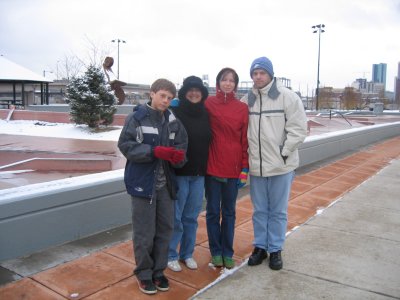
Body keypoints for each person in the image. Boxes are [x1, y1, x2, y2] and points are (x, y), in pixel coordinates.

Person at [118, 78, 188, 295]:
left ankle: (158, 271)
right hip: (142, 185)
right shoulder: (137, 118)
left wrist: (178, 158)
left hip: (165, 186)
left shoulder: (174, 121)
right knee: (144, 233)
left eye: (170, 98)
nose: (165, 101)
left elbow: (182, 147)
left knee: (165, 230)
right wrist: (153, 151)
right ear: (152, 93)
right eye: (162, 96)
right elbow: (126, 145)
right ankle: (144, 273)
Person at [241, 56, 307, 270]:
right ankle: (260, 246)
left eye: (262, 73)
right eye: (255, 73)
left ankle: (276, 249)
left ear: (270, 74)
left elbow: (298, 129)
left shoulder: (287, 97)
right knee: (260, 210)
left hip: (280, 166)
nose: (258, 77)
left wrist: (284, 153)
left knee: (278, 211)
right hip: (257, 167)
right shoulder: (247, 100)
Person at [204, 67, 249, 269]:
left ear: (236, 84)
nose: (228, 83)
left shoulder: (241, 108)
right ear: (218, 82)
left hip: (233, 169)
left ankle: (227, 252)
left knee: (229, 213)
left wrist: (244, 168)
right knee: (213, 212)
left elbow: (245, 140)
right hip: (212, 167)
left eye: (232, 80)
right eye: (224, 79)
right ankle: (215, 252)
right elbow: (193, 114)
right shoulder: (208, 103)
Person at [167, 76, 211, 272]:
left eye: (198, 90)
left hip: (199, 174)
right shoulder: (174, 111)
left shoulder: (206, 113)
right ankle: (171, 255)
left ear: (202, 94)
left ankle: (187, 253)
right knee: (176, 218)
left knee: (191, 217)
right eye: (190, 90)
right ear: (184, 93)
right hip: (180, 173)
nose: (194, 93)